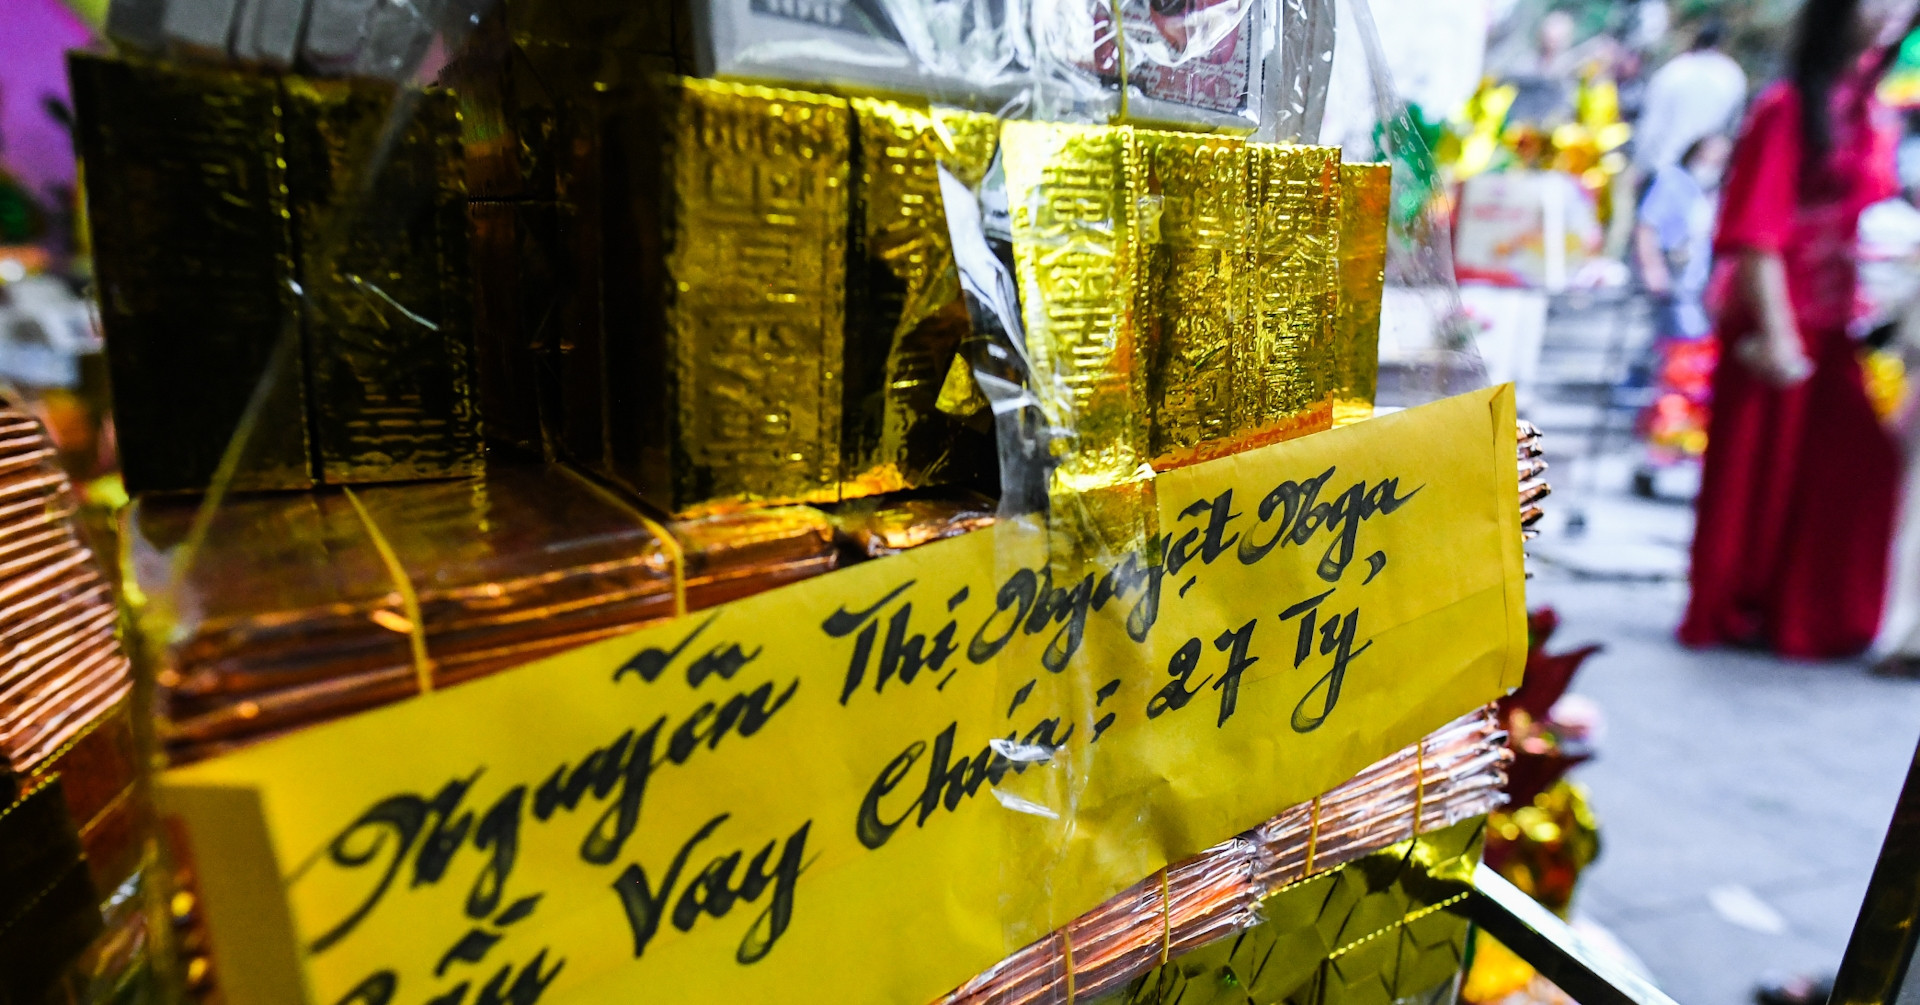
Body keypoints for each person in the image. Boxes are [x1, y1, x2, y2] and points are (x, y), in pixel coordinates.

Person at [1679, 0, 1915, 659]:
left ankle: (1811, 617)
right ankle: (1744, 608)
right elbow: (1758, 231)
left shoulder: (1872, 106)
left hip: (1846, 325)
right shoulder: (1787, 106)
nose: (1896, 10)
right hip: (1779, 319)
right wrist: (1780, 338)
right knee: (1759, 482)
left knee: (1854, 469)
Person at [1631, 134, 1732, 493]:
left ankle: (1681, 453)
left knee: (1697, 378)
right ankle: (1657, 454)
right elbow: (1648, 226)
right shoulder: (1673, 182)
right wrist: (1653, 270)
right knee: (1677, 374)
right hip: (1678, 293)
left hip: (1704, 296)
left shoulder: (1719, 188)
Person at [1633, 20, 1748, 178]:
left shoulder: (1674, 71)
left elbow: (1652, 121)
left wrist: (1641, 162)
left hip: (1662, 165)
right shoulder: (1732, 75)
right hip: (1704, 173)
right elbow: (1733, 129)